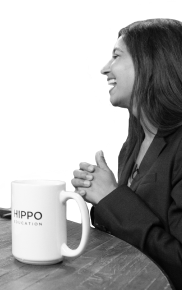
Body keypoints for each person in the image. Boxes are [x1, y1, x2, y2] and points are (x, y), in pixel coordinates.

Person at [71, 18, 182, 290]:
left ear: (151, 62)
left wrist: (112, 199)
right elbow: (126, 230)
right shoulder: (133, 144)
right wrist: (96, 200)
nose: (105, 69)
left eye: (116, 56)